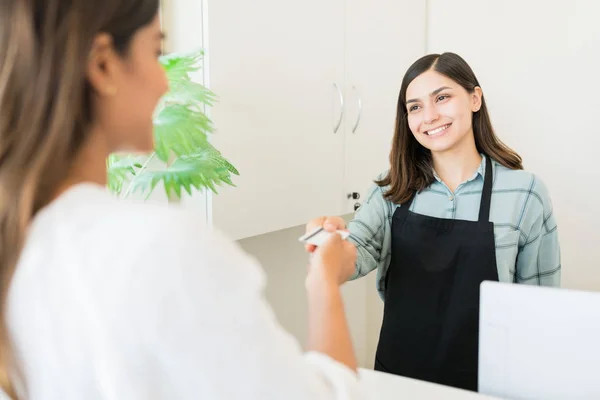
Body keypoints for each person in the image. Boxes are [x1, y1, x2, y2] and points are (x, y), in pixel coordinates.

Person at [0, 1, 363, 399]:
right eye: (156, 53)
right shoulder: (161, 246)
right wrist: (324, 281)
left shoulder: (20, 243)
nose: (166, 83)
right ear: (102, 65)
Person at [305, 52, 561, 392]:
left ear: (474, 98)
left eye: (442, 97)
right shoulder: (391, 187)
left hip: (490, 384)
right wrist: (328, 243)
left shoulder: (525, 193)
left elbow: (540, 311)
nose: (429, 116)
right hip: (398, 378)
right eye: (415, 106)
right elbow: (355, 252)